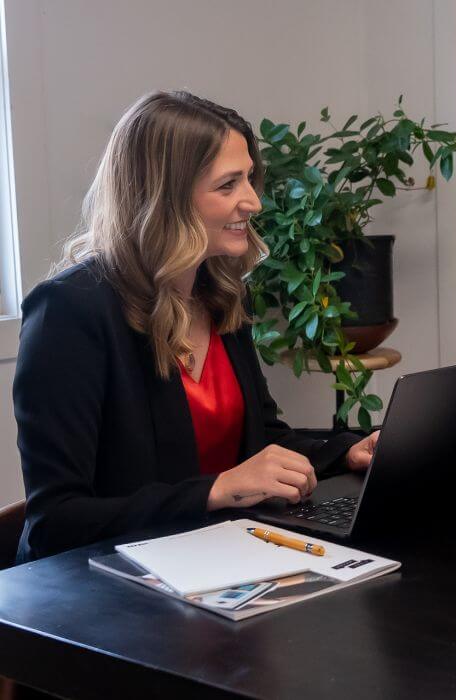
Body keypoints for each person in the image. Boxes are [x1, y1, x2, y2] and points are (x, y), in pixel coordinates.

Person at [14, 91, 379, 562]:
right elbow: (55, 522)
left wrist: (345, 452)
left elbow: (261, 439)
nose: (253, 202)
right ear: (164, 199)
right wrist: (218, 489)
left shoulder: (219, 292)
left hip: (212, 562)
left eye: (249, 179)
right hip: (102, 593)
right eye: (227, 185)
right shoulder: (69, 311)